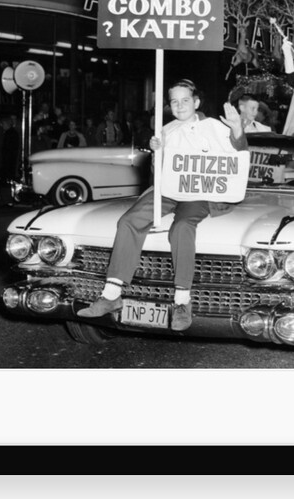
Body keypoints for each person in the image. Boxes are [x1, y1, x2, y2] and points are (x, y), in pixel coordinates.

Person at [77, 79, 247, 332]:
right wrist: (158, 154)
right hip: (169, 190)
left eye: (185, 100)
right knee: (128, 221)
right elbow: (159, 174)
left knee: (182, 227)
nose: (180, 105)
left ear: (196, 102)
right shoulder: (165, 130)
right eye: (174, 101)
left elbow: (239, 153)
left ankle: (182, 302)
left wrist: (237, 129)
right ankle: (111, 294)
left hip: (200, 193)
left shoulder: (214, 126)